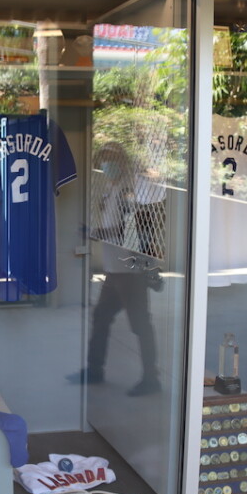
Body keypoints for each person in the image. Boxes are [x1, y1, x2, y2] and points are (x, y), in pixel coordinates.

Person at [68, 142, 162, 396]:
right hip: (115, 270)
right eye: (104, 159)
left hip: (130, 271)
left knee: (140, 324)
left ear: (122, 162)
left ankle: (151, 379)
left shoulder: (128, 190)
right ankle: (95, 370)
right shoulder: (112, 189)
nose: (107, 164)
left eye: (112, 159)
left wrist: (96, 233)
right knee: (101, 319)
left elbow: (131, 230)